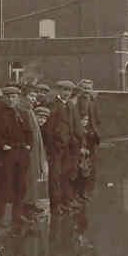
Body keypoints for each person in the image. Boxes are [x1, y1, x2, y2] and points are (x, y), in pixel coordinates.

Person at [0, 86, 33, 230]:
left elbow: (29, 132)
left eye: (14, 97)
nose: (12, 100)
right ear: (4, 98)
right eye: (9, 97)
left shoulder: (23, 112)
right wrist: (2, 145)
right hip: (7, 153)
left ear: (18, 98)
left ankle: (17, 214)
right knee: (4, 184)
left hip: (21, 152)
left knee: (21, 185)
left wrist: (28, 145)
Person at [44, 80, 86, 215]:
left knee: (67, 175)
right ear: (58, 91)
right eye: (64, 90)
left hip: (69, 147)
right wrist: (51, 146)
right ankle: (55, 205)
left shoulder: (71, 106)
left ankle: (65, 201)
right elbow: (48, 129)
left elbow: (77, 126)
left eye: (69, 91)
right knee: (55, 177)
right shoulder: (52, 106)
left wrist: (80, 143)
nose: (67, 93)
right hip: (56, 148)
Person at [17, 85, 48, 217]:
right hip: (29, 150)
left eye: (35, 96)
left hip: (35, 149)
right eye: (31, 96)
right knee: (28, 177)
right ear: (24, 96)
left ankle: (32, 202)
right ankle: (27, 205)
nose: (33, 98)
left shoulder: (29, 109)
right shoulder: (23, 109)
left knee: (34, 176)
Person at [74, 79, 101, 200]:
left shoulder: (93, 101)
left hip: (92, 137)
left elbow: (96, 119)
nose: (86, 90)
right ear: (80, 89)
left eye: (89, 88)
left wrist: (96, 132)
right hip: (81, 136)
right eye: (84, 88)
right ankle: (78, 192)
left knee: (90, 166)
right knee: (80, 165)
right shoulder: (76, 102)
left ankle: (86, 192)